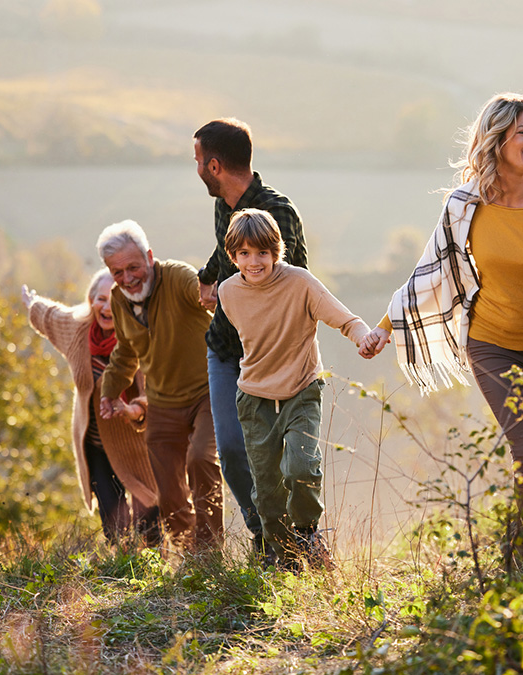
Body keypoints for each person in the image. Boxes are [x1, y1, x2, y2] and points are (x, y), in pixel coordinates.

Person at [359, 92, 523, 568]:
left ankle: (514, 547)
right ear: (497, 140)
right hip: (491, 344)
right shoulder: (464, 205)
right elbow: (430, 272)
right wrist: (384, 327)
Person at [219, 208, 369, 569]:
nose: (254, 262)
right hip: (254, 398)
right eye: (244, 254)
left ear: (276, 251)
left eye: (262, 253)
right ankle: (284, 559)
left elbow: (345, 319)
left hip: (301, 390)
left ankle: (306, 534)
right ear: (233, 255)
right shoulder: (228, 293)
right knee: (267, 492)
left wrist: (363, 337)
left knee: (301, 466)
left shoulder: (300, 283)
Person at [193, 118, 309, 560]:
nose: (198, 169)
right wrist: (209, 277)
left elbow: (296, 279)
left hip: (271, 356)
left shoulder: (277, 212)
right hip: (224, 348)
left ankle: (300, 541)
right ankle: (268, 538)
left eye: (199, 161)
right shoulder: (226, 204)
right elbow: (227, 248)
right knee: (231, 449)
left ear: (215, 165)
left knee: (285, 460)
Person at [97, 220, 224, 552]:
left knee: (200, 459)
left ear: (149, 257)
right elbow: (125, 352)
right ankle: (188, 554)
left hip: (206, 391)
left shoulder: (177, 276)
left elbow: (204, 295)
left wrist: (211, 295)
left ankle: (211, 553)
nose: (127, 278)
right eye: (117, 272)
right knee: (168, 488)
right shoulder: (118, 299)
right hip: (163, 403)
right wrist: (109, 392)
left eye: (133, 267)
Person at [22, 270, 160, 546]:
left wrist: (135, 409)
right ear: (90, 300)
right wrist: (32, 303)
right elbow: (52, 317)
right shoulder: (79, 329)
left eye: (113, 300)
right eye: (100, 299)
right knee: (113, 524)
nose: (106, 307)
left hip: (135, 445)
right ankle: (121, 574)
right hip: (95, 444)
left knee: (151, 524)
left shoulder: (138, 337)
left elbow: (153, 394)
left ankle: (158, 580)